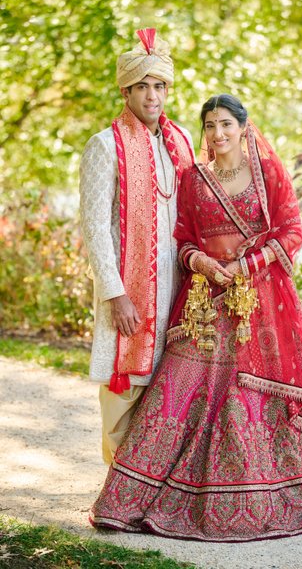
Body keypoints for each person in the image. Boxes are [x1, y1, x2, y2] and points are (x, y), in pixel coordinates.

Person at [89, 94, 302, 541]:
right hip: (204, 303)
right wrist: (201, 262)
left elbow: (292, 232)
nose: (217, 134)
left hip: (261, 303)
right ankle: (136, 499)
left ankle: (275, 493)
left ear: (243, 127)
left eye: (225, 124)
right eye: (209, 126)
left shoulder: (267, 174)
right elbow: (182, 238)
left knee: (254, 395)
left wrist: (247, 266)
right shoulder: (193, 178)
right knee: (177, 391)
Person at [79, 28, 194, 465]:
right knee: (123, 392)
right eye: (142, 86)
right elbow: (95, 229)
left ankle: (151, 489)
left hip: (176, 289)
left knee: (166, 389)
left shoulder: (179, 142)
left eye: (159, 86)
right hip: (128, 291)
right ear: (126, 91)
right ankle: (116, 488)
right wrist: (116, 294)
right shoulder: (104, 146)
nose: (152, 95)